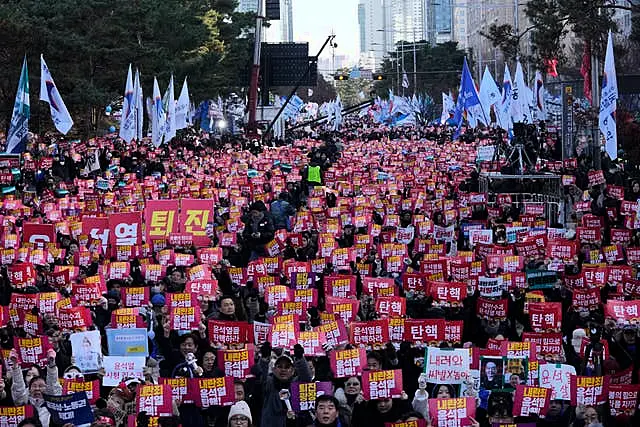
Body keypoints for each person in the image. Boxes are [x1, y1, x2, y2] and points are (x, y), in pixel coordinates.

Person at [10, 349, 62, 427]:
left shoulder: (52, 405)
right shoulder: (23, 403)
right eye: (34, 386)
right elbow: (18, 389)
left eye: (41, 386)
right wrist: (15, 366)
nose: (37, 388)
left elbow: (53, 386)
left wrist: (52, 365)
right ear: (29, 389)